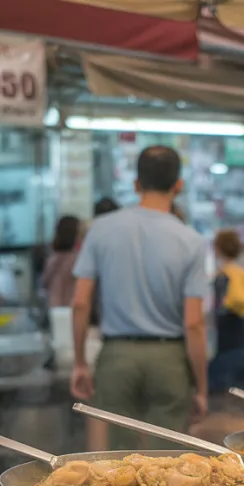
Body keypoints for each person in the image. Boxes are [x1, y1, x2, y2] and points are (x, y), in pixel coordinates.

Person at [70, 146, 208, 449]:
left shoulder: (101, 229)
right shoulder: (192, 241)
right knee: (169, 463)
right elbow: (194, 324)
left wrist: (80, 362)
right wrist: (201, 386)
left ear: (136, 184)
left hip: (116, 356)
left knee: (120, 463)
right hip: (169, 359)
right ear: (179, 186)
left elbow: (80, 302)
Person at [208, 229, 244, 393]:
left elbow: (219, 307)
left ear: (218, 249)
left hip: (226, 336)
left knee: (222, 386)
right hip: (243, 333)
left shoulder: (222, 276)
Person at [42, 215, 82, 308]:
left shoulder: (53, 257)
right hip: (71, 308)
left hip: (53, 306)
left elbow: (45, 282)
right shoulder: (76, 258)